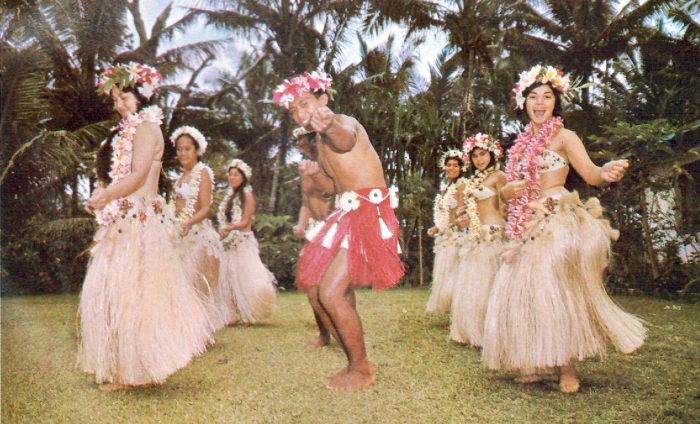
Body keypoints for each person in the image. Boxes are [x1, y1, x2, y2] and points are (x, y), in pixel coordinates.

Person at [481, 65, 646, 393]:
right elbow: (506, 191)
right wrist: (505, 192)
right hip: (524, 224)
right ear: (523, 101)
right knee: (525, 293)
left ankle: (567, 367)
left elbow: (591, 174)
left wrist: (607, 172)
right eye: (533, 97)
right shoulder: (520, 143)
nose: (539, 103)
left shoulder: (565, 137)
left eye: (547, 97)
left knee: (556, 291)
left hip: (556, 219)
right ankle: (537, 360)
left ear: (556, 102)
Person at [78, 61, 213, 391]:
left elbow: (137, 176)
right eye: (114, 99)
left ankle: (134, 371)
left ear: (142, 96)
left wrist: (108, 194)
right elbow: (117, 175)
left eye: (123, 97)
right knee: (113, 295)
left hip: (138, 224)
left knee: (132, 295)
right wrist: (102, 196)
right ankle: (127, 367)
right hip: (121, 221)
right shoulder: (124, 131)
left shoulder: (148, 130)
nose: (118, 105)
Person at [274, 71, 404, 390]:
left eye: (305, 104)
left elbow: (343, 137)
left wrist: (329, 123)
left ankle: (361, 369)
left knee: (331, 292)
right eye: (295, 111)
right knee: (320, 290)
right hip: (347, 212)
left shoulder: (343, 122)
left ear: (323, 100)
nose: (302, 114)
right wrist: (316, 175)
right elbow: (333, 186)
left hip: (368, 212)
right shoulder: (318, 142)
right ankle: (354, 361)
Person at [449, 134, 506, 347]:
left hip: (492, 231)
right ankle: (474, 332)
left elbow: (505, 206)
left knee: (489, 283)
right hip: (474, 233)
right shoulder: (474, 180)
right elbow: (467, 208)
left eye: (483, 154)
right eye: (475, 156)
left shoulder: (499, 176)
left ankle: (492, 334)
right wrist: (464, 217)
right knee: (473, 284)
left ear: (492, 154)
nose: (479, 160)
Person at [169, 126, 228, 330]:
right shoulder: (179, 178)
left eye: (187, 148)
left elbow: (205, 208)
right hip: (179, 233)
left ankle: (201, 330)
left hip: (198, 236)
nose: (183, 153)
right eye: (179, 149)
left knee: (198, 284)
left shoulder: (202, 172)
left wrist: (187, 223)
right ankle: (185, 330)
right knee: (180, 285)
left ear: (197, 150)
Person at [217, 159, 277, 325]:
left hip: (243, 241)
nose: (232, 177)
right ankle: (233, 313)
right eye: (230, 174)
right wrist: (225, 230)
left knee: (245, 278)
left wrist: (230, 228)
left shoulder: (247, 196)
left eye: (236, 174)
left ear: (243, 177)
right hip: (230, 242)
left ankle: (248, 313)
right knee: (230, 278)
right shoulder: (230, 197)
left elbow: (244, 221)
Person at [291, 127, 335, 348]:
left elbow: (332, 192)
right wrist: (301, 224)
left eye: (301, 138)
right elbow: (306, 202)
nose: (297, 142)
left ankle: (339, 330)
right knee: (310, 285)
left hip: (334, 227)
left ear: (313, 139)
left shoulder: (330, 162)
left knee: (328, 287)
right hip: (313, 229)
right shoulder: (303, 167)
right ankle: (325, 334)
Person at [425, 149, 467, 314]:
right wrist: (437, 227)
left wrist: (445, 226)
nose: (451, 168)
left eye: (455, 165)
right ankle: (450, 308)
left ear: (461, 168)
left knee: (455, 273)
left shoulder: (462, 185)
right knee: (445, 272)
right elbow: (443, 212)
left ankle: (459, 309)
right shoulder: (445, 187)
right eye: (448, 165)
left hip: (456, 234)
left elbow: (463, 210)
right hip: (444, 234)